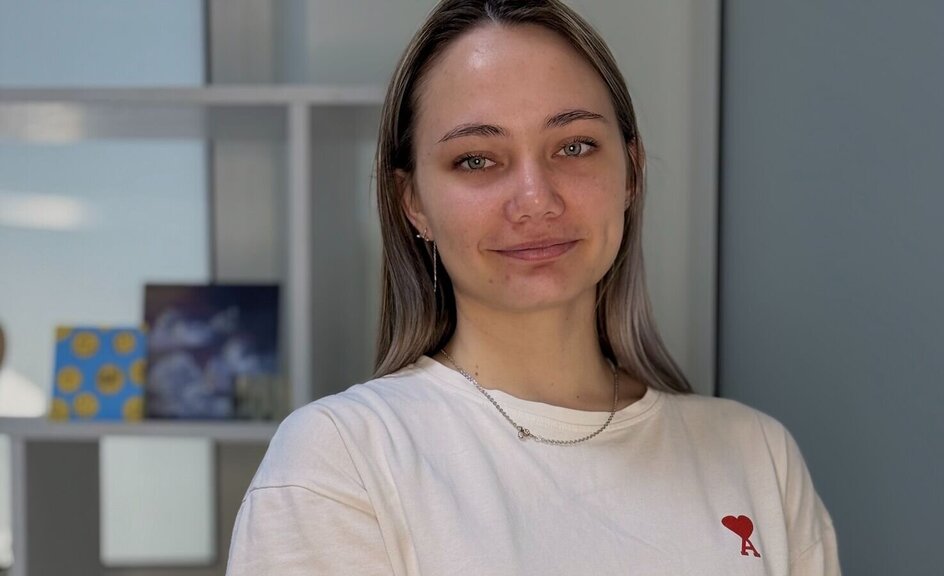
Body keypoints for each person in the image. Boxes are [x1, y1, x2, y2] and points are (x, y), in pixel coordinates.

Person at [226, 1, 840, 574]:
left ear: (630, 173)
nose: (535, 200)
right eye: (476, 159)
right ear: (412, 201)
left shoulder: (758, 455)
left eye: (574, 146)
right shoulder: (342, 461)